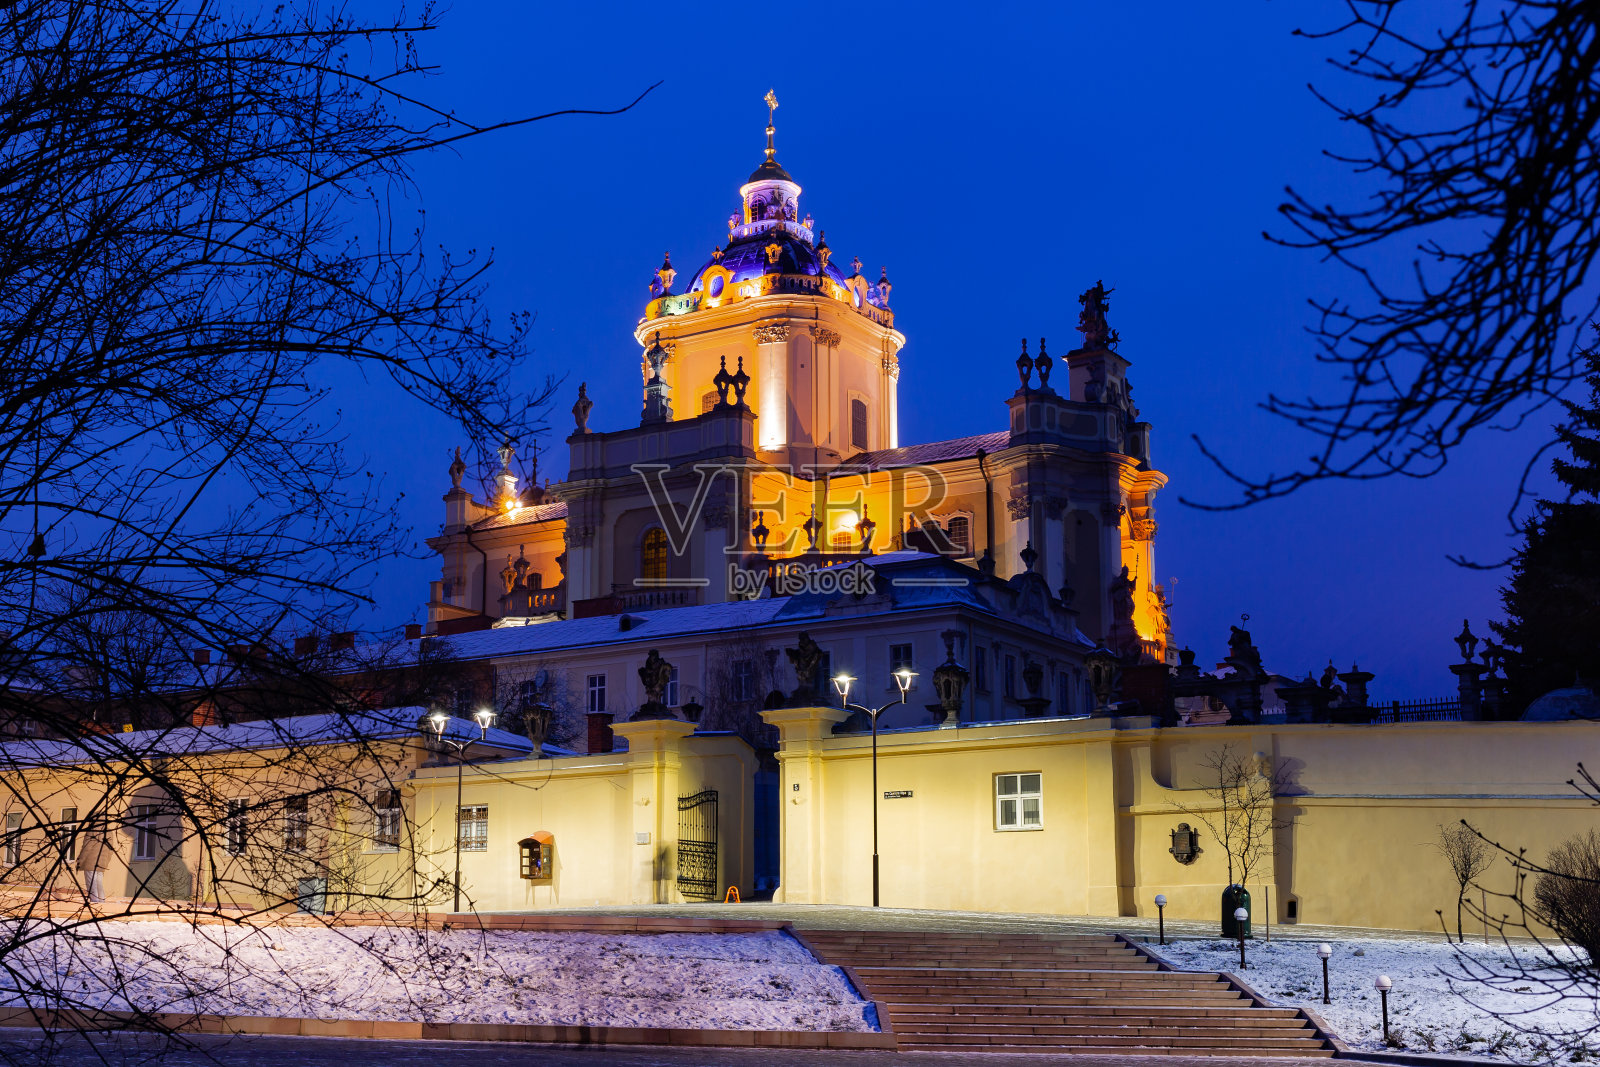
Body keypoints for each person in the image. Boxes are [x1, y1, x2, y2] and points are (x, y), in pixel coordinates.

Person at [76, 823, 108, 904]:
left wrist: (80, 860)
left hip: (90, 862)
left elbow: (87, 847)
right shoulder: (108, 831)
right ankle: (102, 901)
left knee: (91, 884)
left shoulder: (92, 830)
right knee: (99, 883)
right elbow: (110, 850)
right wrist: (106, 862)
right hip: (102, 863)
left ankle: (94, 902)